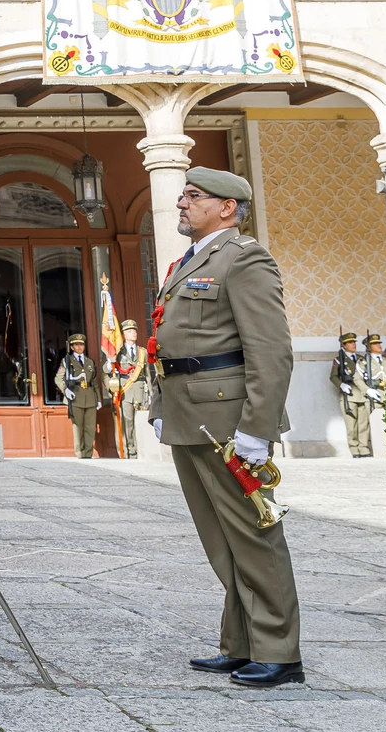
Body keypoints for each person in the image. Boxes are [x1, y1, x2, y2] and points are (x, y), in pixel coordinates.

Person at [151, 166, 302, 687]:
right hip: (189, 416)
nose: (181, 203)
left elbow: (271, 349)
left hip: (227, 420)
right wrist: (159, 404)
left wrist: (257, 430)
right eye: (183, 195)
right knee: (221, 540)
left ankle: (280, 653)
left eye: (194, 196)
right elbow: (168, 341)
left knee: (255, 535)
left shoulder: (245, 258)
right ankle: (241, 643)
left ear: (228, 208)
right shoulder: (188, 262)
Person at [329, 331, 379, 458]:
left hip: (362, 394)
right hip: (349, 395)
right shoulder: (339, 359)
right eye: (350, 343)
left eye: (354, 342)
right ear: (344, 345)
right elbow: (333, 377)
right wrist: (341, 385)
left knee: (363, 424)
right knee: (351, 425)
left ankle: (364, 448)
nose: (353, 345)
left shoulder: (361, 359)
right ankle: (354, 448)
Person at [54, 333, 100, 458]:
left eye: (81, 344)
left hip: (90, 397)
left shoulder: (90, 362)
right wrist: (65, 390)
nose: (79, 347)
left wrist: (98, 399)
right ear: (72, 347)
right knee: (78, 427)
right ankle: (80, 453)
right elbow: (58, 379)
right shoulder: (66, 361)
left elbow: (94, 382)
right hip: (75, 397)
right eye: (76, 345)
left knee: (90, 428)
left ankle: (88, 453)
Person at [107, 319, 146, 459]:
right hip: (125, 392)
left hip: (140, 392)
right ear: (123, 334)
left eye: (134, 330)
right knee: (127, 424)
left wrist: (151, 394)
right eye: (130, 331)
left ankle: (140, 451)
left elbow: (147, 374)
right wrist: (111, 390)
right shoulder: (117, 352)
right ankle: (129, 453)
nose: (133, 333)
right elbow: (107, 373)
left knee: (140, 424)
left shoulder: (143, 352)